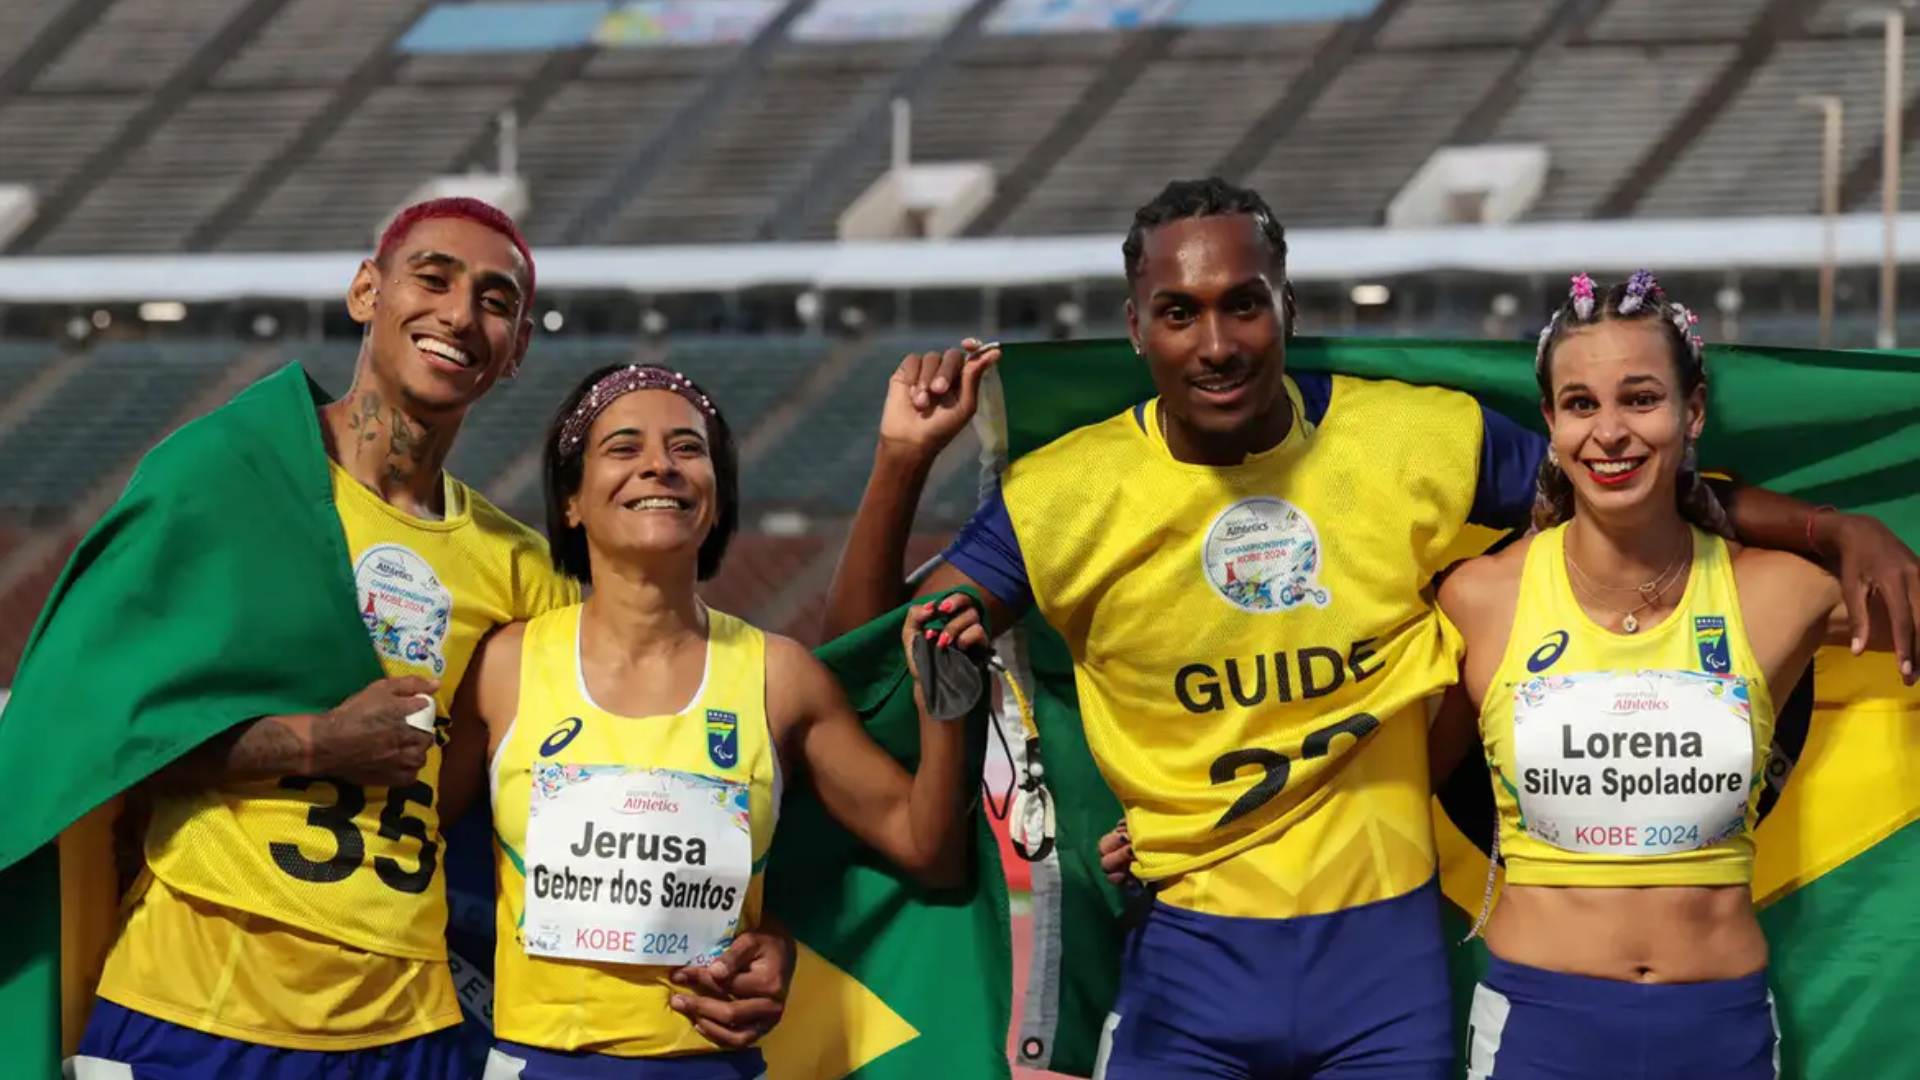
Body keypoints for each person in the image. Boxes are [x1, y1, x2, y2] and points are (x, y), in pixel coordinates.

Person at [823, 177, 1920, 1080]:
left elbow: (1625, 480)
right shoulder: (1061, 498)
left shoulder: (1419, 442)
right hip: (1187, 954)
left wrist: (1833, 529)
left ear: (1287, 307)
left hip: (1384, 965)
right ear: (1137, 328)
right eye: (1180, 312)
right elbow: (865, 663)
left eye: (1244, 303)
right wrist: (899, 464)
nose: (1216, 341)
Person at [71, 198, 790, 1080]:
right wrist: (315, 741)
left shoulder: (518, 570)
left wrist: (770, 929)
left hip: (408, 1033)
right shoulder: (226, 482)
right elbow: (93, 733)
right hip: (193, 1011)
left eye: (495, 300)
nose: (459, 314)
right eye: (433, 279)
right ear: (366, 291)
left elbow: (678, 769)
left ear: (518, 346)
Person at [447, 363, 985, 1080]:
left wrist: (946, 711)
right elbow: (422, 852)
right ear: (571, 500)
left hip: (711, 1065)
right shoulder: (503, 669)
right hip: (537, 1063)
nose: (659, 467)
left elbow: (929, 850)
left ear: (718, 495)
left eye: (687, 449)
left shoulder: (780, 678)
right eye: (624, 447)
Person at [1433, 272, 1897, 1079]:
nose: (1609, 432)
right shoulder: (1480, 598)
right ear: (1550, 422)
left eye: (1640, 399)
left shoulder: (1779, 593)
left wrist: (1859, 534)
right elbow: (1374, 785)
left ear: (1693, 412)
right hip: (1540, 1027)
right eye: (1581, 404)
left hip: (1718, 1028)